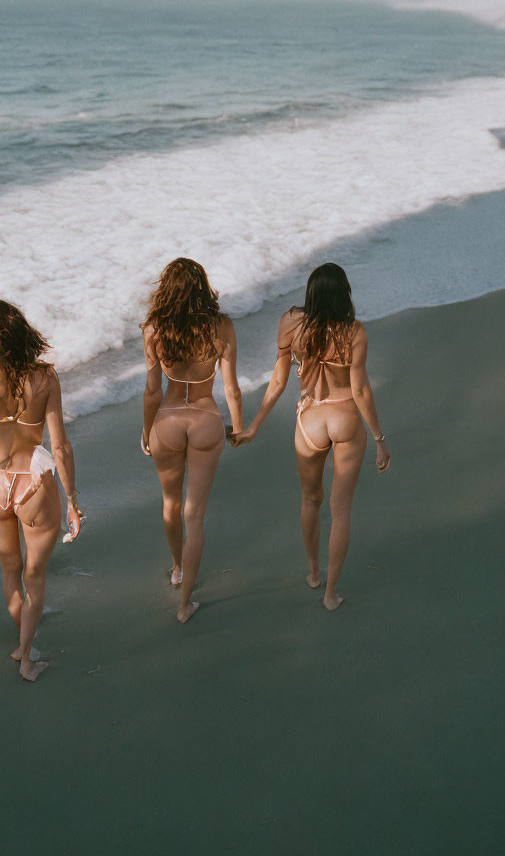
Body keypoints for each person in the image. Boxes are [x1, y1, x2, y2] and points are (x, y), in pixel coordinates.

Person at [232, 262, 390, 610]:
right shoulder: (355, 332)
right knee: (340, 511)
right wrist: (379, 438)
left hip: (310, 421)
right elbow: (361, 390)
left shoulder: (290, 323)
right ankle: (331, 594)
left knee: (309, 501)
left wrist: (256, 424)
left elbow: (278, 379)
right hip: (346, 418)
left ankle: (314, 573)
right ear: (343, 294)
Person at [0, 300, 82, 682]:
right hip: (34, 482)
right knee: (35, 577)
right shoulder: (45, 378)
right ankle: (27, 658)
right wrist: (73, 501)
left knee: (10, 569)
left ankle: (21, 640)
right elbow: (59, 446)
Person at [140, 258, 243, 623]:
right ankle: (185, 605)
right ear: (203, 288)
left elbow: (153, 391)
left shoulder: (154, 331)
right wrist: (240, 426)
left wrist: (145, 429)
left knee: (171, 504)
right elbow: (230, 386)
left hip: (166, 420)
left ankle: (176, 567)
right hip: (205, 419)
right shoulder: (221, 327)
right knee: (194, 514)